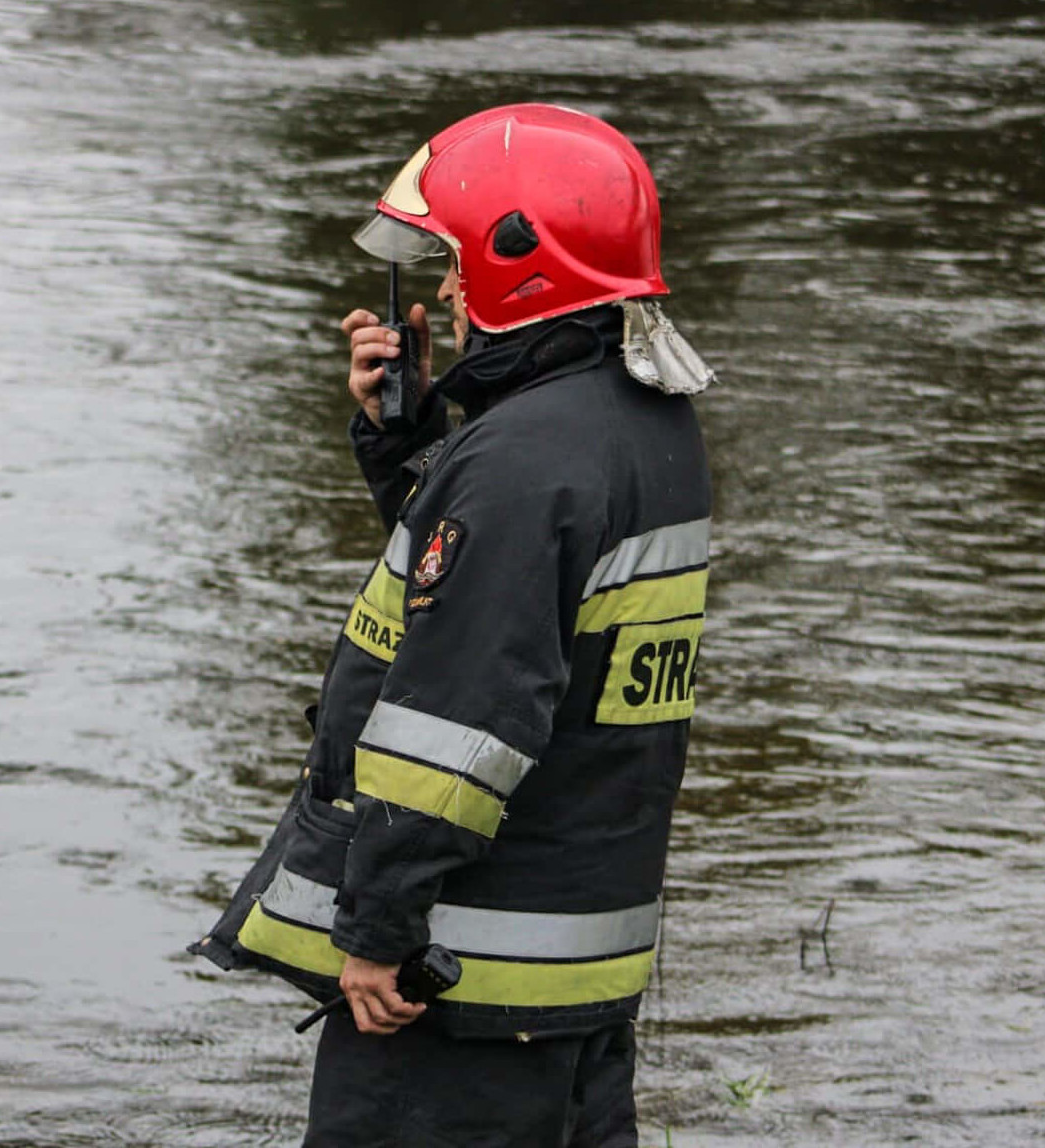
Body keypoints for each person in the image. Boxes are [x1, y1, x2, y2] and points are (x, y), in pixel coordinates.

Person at [192, 103, 716, 1148]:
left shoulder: (522, 462)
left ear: (525, 261)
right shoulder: (639, 421)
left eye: (454, 261)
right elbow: (504, 613)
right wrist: (413, 450)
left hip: (454, 994)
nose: (439, 289)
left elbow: (460, 717)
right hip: (569, 975)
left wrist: (377, 926)